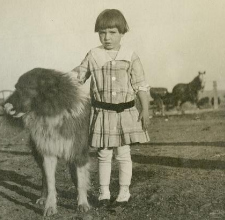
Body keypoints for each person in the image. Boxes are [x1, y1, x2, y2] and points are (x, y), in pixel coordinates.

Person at [71, 9, 151, 207]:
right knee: (104, 154)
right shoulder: (94, 55)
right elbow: (78, 76)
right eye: (102, 33)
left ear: (122, 32)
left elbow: (141, 85)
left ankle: (124, 192)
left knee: (123, 154)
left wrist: (146, 110)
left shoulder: (130, 56)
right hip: (102, 113)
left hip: (125, 113)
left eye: (112, 32)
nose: (107, 38)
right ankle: (104, 192)